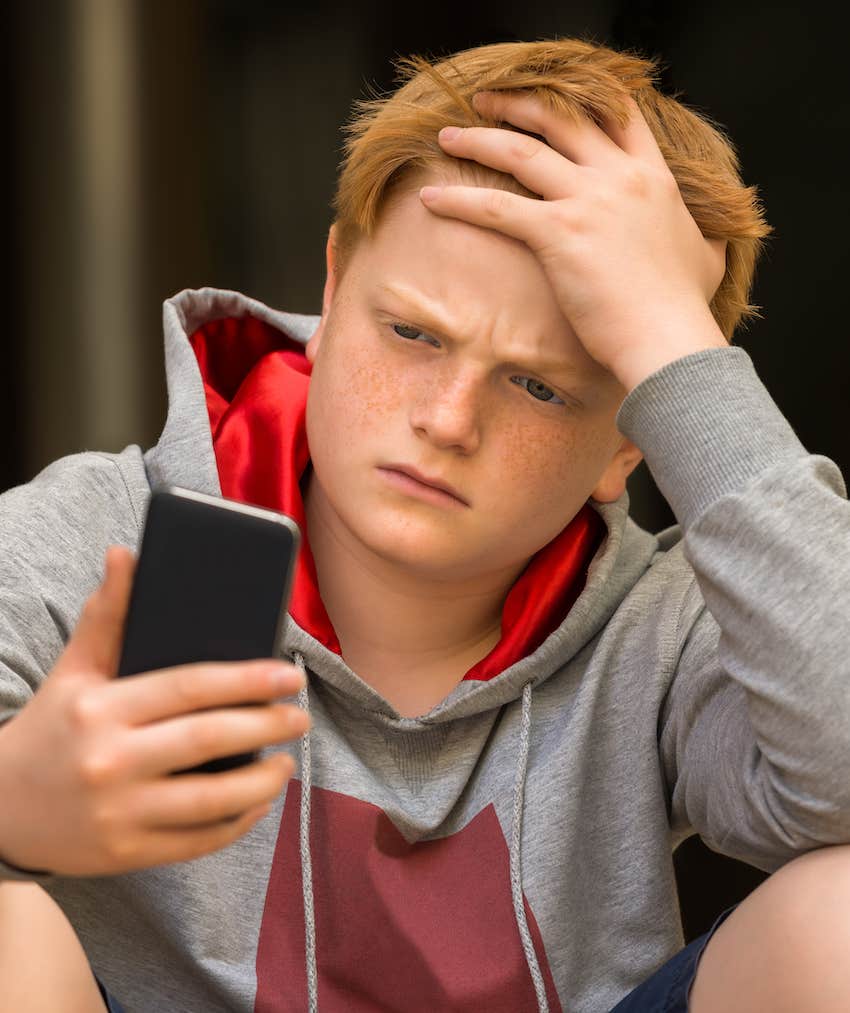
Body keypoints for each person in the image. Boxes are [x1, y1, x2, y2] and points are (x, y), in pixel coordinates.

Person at [1, 33, 849, 1013]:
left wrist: (673, 344)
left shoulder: (667, 631)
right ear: (330, 287)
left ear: (634, 441)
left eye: (538, 385)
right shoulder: (102, 539)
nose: (446, 419)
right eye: (411, 332)